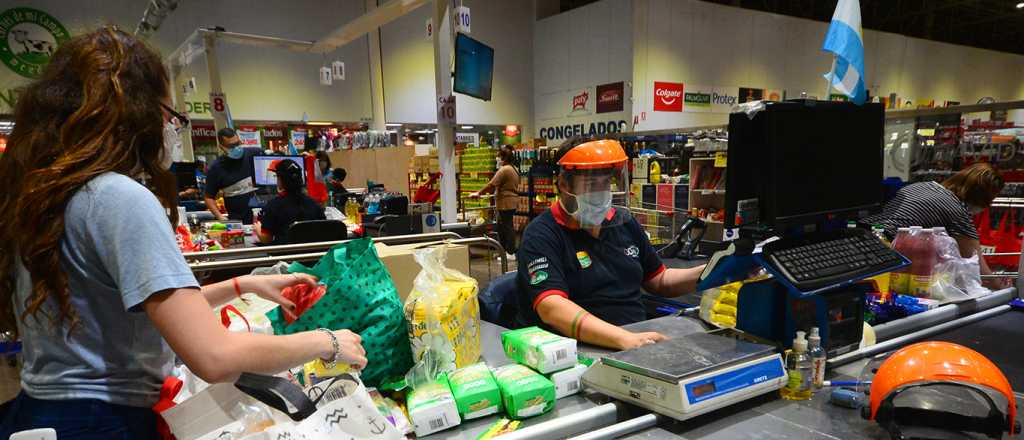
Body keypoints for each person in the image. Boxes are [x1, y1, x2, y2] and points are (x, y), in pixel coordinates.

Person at [0, 28, 365, 439]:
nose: (172, 129)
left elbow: (142, 310)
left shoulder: (45, 197)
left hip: (41, 416)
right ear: (137, 111)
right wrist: (326, 341)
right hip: (103, 423)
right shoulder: (118, 197)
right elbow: (213, 356)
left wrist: (243, 284)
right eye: (171, 116)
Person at [514, 138, 705, 351]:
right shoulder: (542, 234)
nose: (600, 193)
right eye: (590, 185)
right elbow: (552, 307)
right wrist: (623, 338)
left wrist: (712, 270)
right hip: (575, 352)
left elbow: (659, 280)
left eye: (606, 183)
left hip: (637, 340)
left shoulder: (623, 222)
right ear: (564, 184)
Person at [865, 163, 1007, 289]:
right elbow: (980, 270)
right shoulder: (956, 211)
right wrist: (1003, 289)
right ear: (982, 198)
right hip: (882, 255)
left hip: (860, 238)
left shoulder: (920, 186)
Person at [254, 159, 328, 245]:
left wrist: (258, 228)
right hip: (311, 255)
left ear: (280, 180)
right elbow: (323, 230)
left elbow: (266, 239)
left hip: (285, 256)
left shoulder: (273, 206)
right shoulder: (314, 204)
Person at [470, 145, 520, 258]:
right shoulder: (513, 168)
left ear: (504, 158)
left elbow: (491, 184)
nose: (497, 159)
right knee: (505, 226)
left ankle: (510, 252)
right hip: (510, 202)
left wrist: (478, 193)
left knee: (506, 227)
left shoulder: (504, 169)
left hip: (505, 202)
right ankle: (506, 251)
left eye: (498, 157)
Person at [204, 127, 261, 223]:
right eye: (231, 146)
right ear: (221, 147)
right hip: (238, 221)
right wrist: (220, 217)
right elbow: (209, 197)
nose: (236, 148)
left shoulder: (256, 154)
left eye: (237, 143)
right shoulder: (216, 168)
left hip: (264, 217)